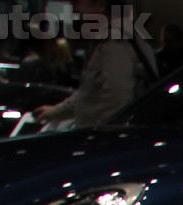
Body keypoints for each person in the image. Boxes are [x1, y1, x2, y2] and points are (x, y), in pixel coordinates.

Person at [36, 0, 155, 128]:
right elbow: (90, 94)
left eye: (78, 2)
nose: (74, 9)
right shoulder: (116, 37)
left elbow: (117, 97)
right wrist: (55, 111)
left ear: (100, 5)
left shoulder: (114, 40)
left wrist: (103, 135)